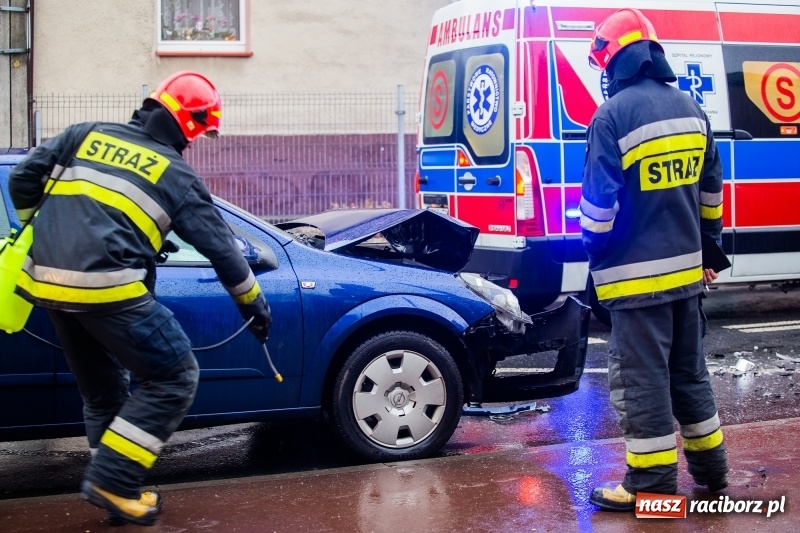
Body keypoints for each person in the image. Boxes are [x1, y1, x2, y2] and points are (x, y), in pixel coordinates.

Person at [9, 71, 272, 526]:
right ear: (191, 123)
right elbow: (222, 250)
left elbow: (21, 181)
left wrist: (45, 231)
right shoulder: (177, 175)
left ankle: (112, 490)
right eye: (202, 131)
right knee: (174, 374)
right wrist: (254, 304)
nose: (198, 141)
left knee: (103, 392)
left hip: (49, 286)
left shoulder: (83, 135)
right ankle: (115, 479)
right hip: (110, 289)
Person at [579, 9, 728, 511]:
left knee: (642, 383)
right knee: (689, 375)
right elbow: (711, 194)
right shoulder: (692, 109)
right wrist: (709, 251)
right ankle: (711, 472)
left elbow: (600, 210)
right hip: (688, 279)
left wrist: (593, 254)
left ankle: (651, 484)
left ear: (616, 62)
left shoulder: (611, 117)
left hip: (634, 285)